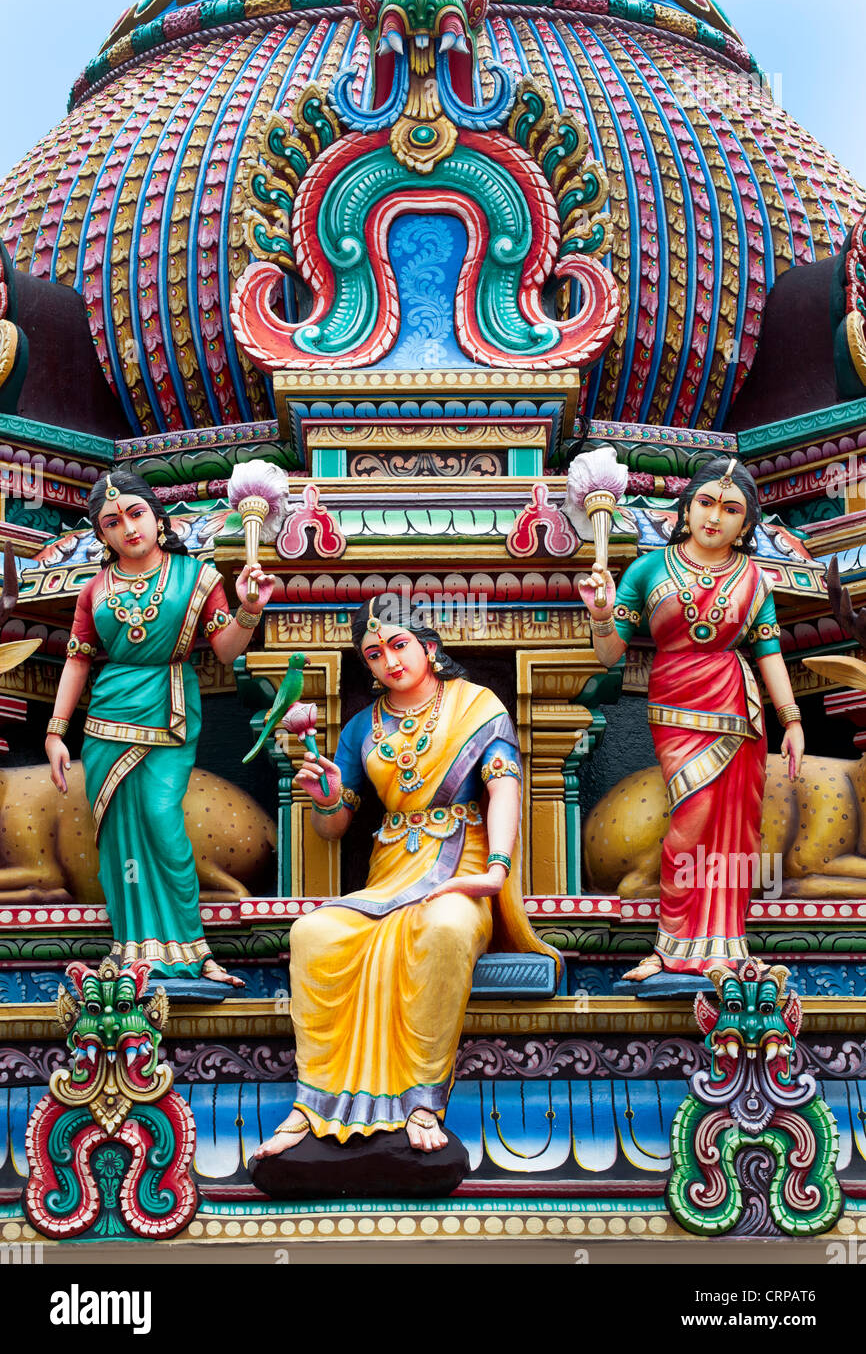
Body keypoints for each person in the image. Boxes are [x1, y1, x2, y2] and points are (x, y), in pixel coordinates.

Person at [253, 594, 559, 1156]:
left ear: (430, 649)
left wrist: (495, 873)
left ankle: (421, 1102)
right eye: (373, 654)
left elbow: (505, 787)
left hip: (461, 869)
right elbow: (335, 827)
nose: (389, 662)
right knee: (312, 934)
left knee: (443, 929)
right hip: (389, 874)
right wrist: (325, 800)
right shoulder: (360, 728)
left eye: (399, 646)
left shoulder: (476, 705)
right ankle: (314, 1100)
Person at [578, 457, 805, 981]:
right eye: (705, 502)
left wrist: (791, 719)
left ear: (745, 525)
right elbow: (611, 656)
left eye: (730, 509)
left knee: (736, 828)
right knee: (693, 818)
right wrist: (601, 614)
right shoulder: (647, 569)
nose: (714, 517)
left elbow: (769, 651)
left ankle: (724, 943)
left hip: (735, 702)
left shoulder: (754, 579)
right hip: (675, 700)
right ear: (686, 509)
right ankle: (673, 945)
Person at [45, 469, 276, 983]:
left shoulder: (197, 577)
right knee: (117, 837)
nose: (127, 528)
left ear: (156, 516)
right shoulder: (94, 590)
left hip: (169, 709)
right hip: (107, 718)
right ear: (101, 534)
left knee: (161, 819)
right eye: (112, 522)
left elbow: (225, 648)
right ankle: (133, 949)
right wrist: (56, 731)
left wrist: (249, 610)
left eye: (135, 513)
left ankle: (192, 951)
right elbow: (78, 660)